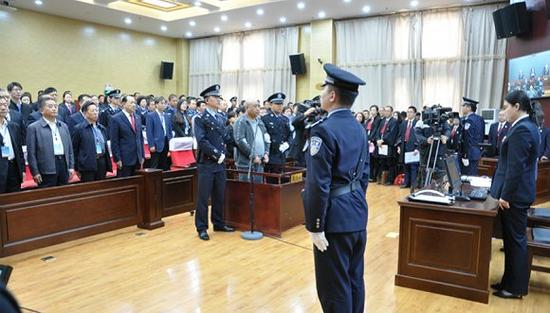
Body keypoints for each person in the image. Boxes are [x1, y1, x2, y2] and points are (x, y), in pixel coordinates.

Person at [303, 64, 369, 313]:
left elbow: (317, 183)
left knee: (333, 288)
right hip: (356, 213)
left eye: (324, 91)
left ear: (332, 96)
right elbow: (364, 176)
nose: (320, 96)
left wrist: (316, 225)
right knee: (354, 281)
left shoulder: (323, 130)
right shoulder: (359, 128)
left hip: (333, 219)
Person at [489, 90, 541, 299]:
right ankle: (508, 281)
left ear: (517, 107)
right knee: (510, 241)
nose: (504, 111)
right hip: (516, 193)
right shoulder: (523, 126)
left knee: (516, 241)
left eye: (506, 107)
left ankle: (515, 288)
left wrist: (506, 196)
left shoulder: (522, 130)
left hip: (515, 196)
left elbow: (516, 167)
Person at [194, 84, 234, 241]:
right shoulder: (200, 118)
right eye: (215, 97)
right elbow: (202, 141)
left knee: (219, 195)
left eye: (219, 97)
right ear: (207, 100)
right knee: (203, 198)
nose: (218, 100)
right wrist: (217, 155)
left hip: (220, 163)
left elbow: (225, 137)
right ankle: (202, 227)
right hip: (207, 163)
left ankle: (218, 222)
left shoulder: (221, 117)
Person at [26, 96, 75, 188]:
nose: (54, 109)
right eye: (50, 106)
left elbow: (70, 149)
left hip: (63, 165)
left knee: (64, 194)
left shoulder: (63, 126)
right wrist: (35, 172)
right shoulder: (34, 127)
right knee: (48, 196)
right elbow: (31, 153)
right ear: (41, 110)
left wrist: (71, 166)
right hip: (46, 168)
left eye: (55, 106)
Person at [72, 100, 112, 182]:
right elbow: (74, 150)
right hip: (87, 164)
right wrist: (76, 167)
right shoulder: (79, 129)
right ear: (85, 113)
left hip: (102, 162)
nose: (96, 113)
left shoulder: (102, 128)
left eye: (97, 110)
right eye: (93, 111)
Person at [233, 100, 269, 183]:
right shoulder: (241, 122)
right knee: (246, 191)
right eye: (254, 106)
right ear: (247, 108)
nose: (257, 109)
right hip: (246, 164)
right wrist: (253, 156)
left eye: (258, 106)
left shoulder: (259, 121)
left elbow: (267, 138)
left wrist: (266, 153)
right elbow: (240, 141)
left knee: (258, 190)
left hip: (260, 162)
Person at [109, 95, 144, 177]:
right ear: (123, 104)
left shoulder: (138, 118)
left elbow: (140, 138)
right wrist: (117, 159)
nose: (134, 105)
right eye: (131, 103)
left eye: (135, 103)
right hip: (124, 159)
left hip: (137, 158)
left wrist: (142, 155)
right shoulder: (116, 118)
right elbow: (114, 141)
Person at [261, 93, 292, 181]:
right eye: (277, 104)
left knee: (282, 180)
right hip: (271, 155)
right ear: (271, 105)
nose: (280, 106)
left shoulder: (285, 119)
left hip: (282, 154)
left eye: (281, 104)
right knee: (271, 181)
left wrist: (287, 144)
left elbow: (290, 134)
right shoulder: (265, 119)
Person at [0, 89, 25, 193]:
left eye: (5, 105)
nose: (3, 107)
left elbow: (19, 150)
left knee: (15, 199)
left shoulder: (13, 126)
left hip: (14, 168)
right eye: (0, 105)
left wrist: (22, 169)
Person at [146, 97, 173, 171]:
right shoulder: (151, 115)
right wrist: (151, 145)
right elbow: (149, 132)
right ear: (156, 105)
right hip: (156, 143)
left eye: (165, 103)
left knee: (164, 164)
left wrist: (170, 141)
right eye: (162, 103)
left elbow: (169, 130)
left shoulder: (167, 115)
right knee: (154, 164)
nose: (164, 105)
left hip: (166, 142)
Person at [460, 97, 485, 175]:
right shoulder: (480, 118)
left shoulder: (469, 120)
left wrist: (465, 155)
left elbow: (468, 139)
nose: (462, 108)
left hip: (469, 154)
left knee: (467, 178)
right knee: (472, 175)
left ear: (469, 108)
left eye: (464, 106)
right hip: (476, 152)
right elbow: (482, 137)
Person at [375, 106, 399, 185]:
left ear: (392, 112)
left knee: (390, 163)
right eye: (385, 111)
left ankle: (390, 180)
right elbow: (378, 131)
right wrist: (378, 139)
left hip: (388, 145)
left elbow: (392, 133)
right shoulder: (382, 121)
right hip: (381, 145)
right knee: (382, 162)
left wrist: (383, 140)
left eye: (388, 111)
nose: (386, 112)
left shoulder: (394, 121)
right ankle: (383, 179)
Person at [397, 106, 419, 189]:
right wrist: (399, 146)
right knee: (405, 166)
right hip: (404, 147)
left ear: (414, 113)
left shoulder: (417, 123)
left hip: (413, 147)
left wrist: (417, 148)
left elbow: (419, 137)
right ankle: (406, 183)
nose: (409, 113)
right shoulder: (404, 123)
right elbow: (399, 136)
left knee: (413, 166)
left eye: (410, 112)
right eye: (408, 112)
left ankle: (413, 184)